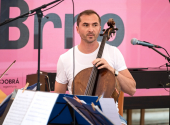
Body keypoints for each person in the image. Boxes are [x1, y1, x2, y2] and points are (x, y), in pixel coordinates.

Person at [54, 9, 136, 125]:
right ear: (77, 29)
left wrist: (112, 71)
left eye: (95, 25)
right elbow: (58, 98)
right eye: (85, 25)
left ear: (99, 28)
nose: (90, 29)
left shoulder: (113, 52)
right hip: (79, 117)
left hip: (109, 118)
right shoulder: (65, 58)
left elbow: (132, 89)